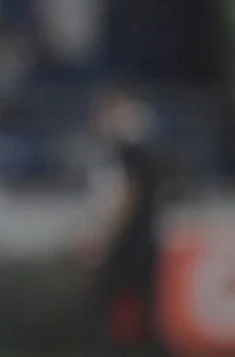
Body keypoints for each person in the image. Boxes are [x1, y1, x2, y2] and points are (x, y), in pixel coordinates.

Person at [77, 87, 167, 357]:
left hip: (131, 243)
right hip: (140, 240)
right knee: (137, 307)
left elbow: (129, 197)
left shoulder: (132, 154)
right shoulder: (135, 154)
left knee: (111, 302)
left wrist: (106, 237)